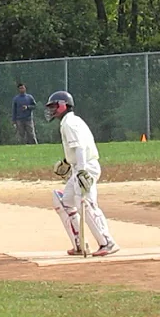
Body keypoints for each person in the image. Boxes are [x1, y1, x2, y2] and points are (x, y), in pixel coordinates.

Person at [46, 91, 120, 257]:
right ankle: (79, 244)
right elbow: (76, 148)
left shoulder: (69, 123)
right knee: (64, 201)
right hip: (81, 166)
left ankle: (107, 242)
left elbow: (79, 147)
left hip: (86, 167)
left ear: (63, 105)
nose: (51, 110)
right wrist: (67, 162)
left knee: (85, 204)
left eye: (54, 106)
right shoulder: (70, 121)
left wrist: (80, 171)